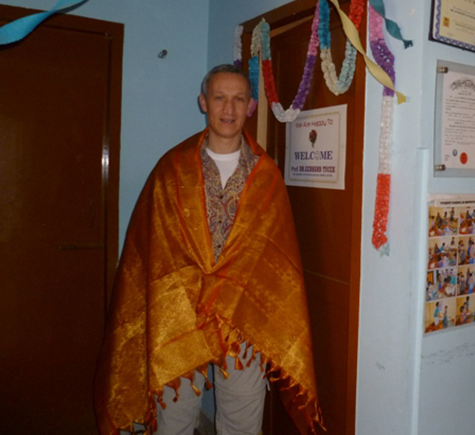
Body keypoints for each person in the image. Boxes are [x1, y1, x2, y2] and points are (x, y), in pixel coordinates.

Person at [94, 65, 322, 435]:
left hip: (243, 320)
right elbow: (152, 249)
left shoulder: (266, 176)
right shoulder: (172, 169)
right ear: (204, 102)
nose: (228, 109)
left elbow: (275, 258)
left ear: (250, 106)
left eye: (238, 99)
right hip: (179, 316)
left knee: (242, 423)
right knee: (175, 422)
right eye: (219, 98)